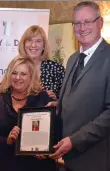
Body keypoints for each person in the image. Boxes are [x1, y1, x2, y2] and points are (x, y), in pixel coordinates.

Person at [49, 1, 110, 171]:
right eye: (77, 23)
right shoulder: (73, 59)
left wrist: (75, 141)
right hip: (67, 161)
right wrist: (59, 105)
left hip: (95, 160)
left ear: (100, 23)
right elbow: (76, 98)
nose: (82, 28)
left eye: (87, 21)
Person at [0, 56, 57, 171]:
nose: (18, 78)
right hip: (6, 164)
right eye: (14, 73)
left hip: (38, 166)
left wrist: (47, 150)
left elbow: (56, 131)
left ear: (31, 76)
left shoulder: (43, 98)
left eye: (23, 74)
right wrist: (5, 140)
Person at [19, 25, 65, 99]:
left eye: (38, 41)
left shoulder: (56, 68)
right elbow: (7, 91)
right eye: (29, 40)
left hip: (48, 110)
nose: (33, 45)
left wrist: (57, 101)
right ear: (24, 44)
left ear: (44, 46)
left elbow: (67, 97)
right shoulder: (16, 67)